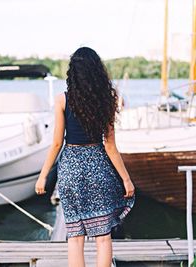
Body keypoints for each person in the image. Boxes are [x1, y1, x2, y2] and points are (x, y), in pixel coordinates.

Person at [35, 47, 135, 267]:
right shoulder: (108, 99)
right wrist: (126, 179)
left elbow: (56, 143)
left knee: (75, 236)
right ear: (97, 71)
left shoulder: (62, 100)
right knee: (103, 236)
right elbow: (110, 145)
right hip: (98, 167)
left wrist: (43, 176)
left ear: (73, 73)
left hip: (70, 169)